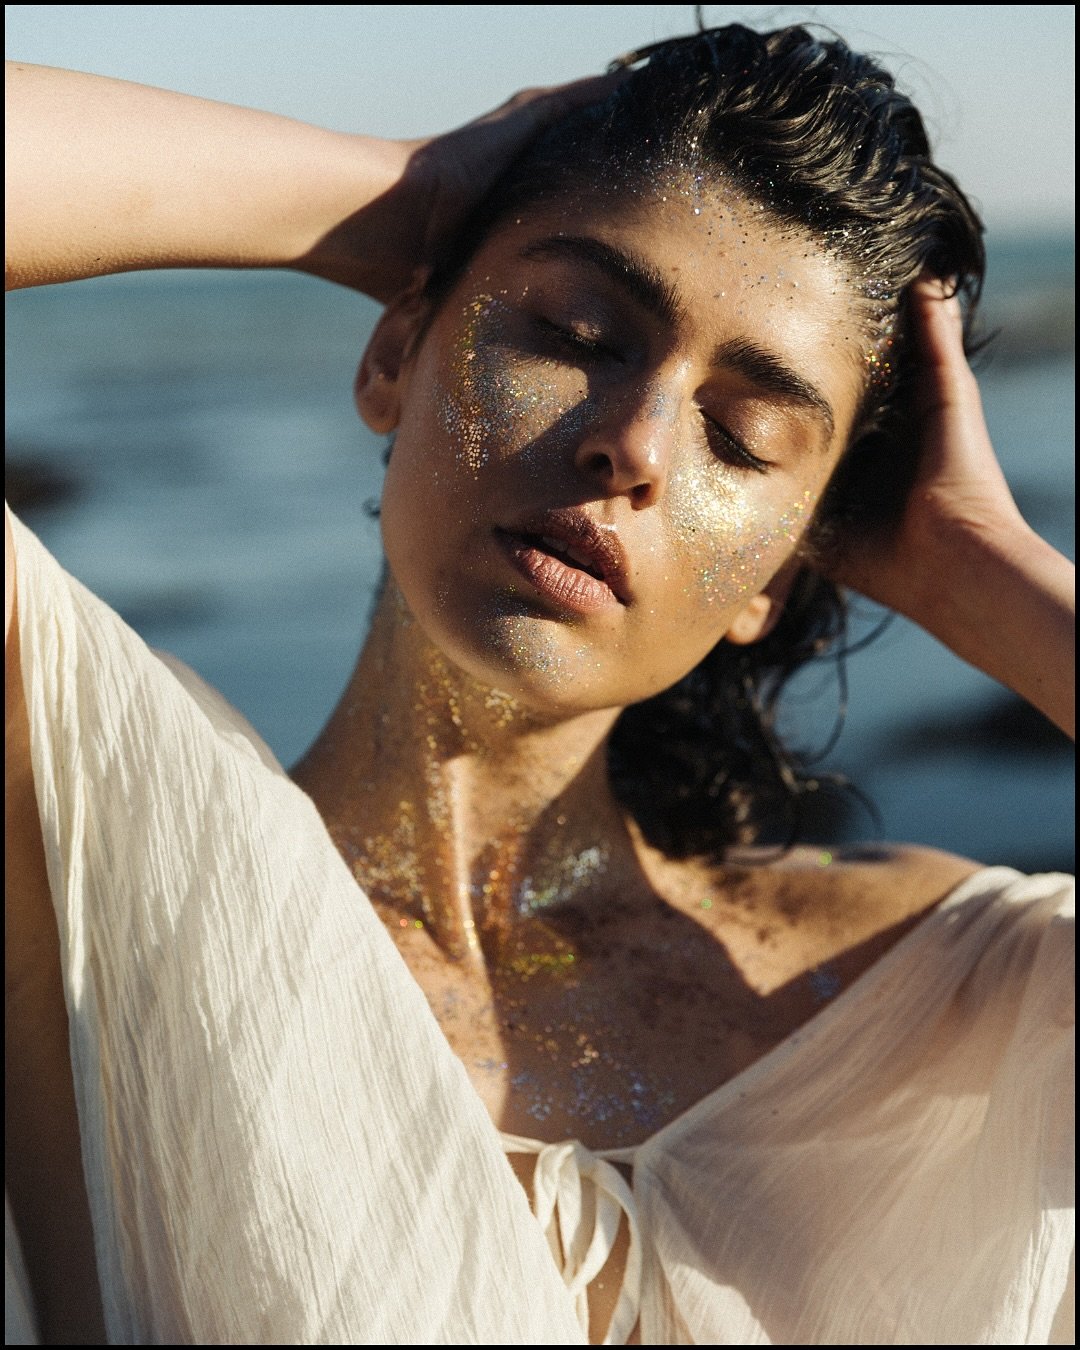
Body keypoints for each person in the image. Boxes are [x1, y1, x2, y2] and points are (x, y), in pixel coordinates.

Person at [5, 19, 1074, 1347]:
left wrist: (993, 573)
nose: (630, 442)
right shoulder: (104, 852)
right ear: (395, 356)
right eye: (575, 330)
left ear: (776, 582)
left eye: (739, 441)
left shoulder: (961, 1008)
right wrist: (392, 194)